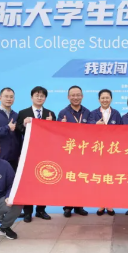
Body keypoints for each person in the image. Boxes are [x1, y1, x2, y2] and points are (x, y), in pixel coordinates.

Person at [16, 86, 57, 222]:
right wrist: (23, 124)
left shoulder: (50, 114)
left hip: (45, 153)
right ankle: (27, 212)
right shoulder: (23, 113)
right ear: (31, 97)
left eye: (42, 96)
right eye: (37, 95)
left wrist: (52, 124)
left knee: (43, 181)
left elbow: (55, 134)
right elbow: (18, 131)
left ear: (45, 98)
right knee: (28, 182)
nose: (39, 98)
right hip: (28, 153)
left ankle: (41, 210)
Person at [57, 85, 91, 218]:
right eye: (73, 95)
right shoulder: (63, 113)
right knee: (69, 180)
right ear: (68, 97)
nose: (75, 97)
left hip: (84, 152)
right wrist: (61, 125)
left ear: (82, 96)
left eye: (78, 95)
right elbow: (57, 132)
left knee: (81, 179)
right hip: (69, 152)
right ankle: (67, 207)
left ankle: (79, 206)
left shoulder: (88, 112)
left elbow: (93, 131)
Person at [88, 89, 122, 216]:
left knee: (111, 178)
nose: (105, 100)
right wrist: (95, 125)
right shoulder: (93, 113)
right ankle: (101, 204)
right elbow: (86, 128)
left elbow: (123, 130)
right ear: (99, 100)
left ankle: (110, 204)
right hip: (98, 151)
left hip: (112, 151)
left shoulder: (116, 113)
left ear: (111, 99)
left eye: (107, 97)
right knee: (100, 178)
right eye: (102, 98)